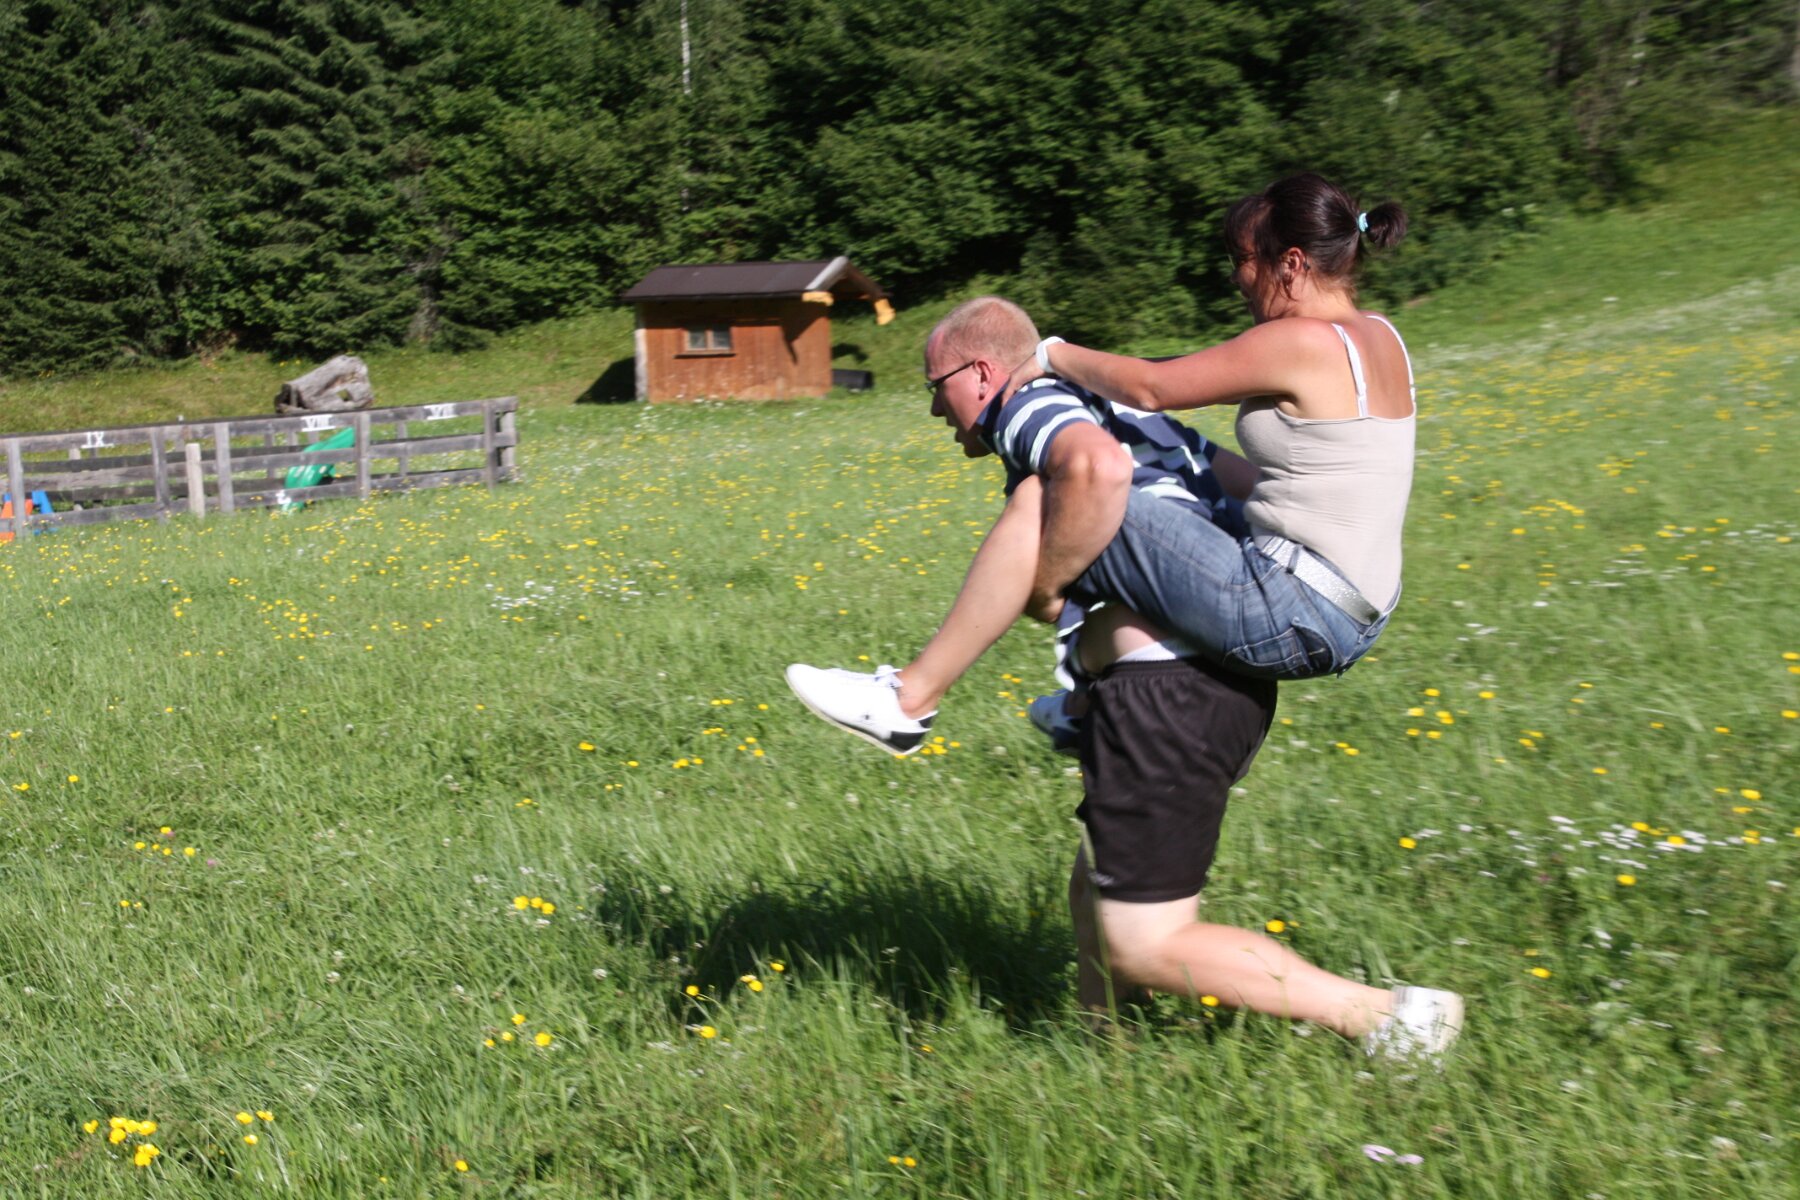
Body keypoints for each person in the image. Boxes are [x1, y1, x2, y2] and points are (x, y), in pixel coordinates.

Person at [786, 293, 1463, 1058]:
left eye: (935, 387)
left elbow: (1094, 469)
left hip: (1172, 693)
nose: (936, 409)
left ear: (978, 373)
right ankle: (1102, 1052)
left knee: (1145, 942)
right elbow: (1238, 481)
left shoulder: (1026, 404)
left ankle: (1387, 1020)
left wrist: (1049, 587)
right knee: (1097, 892)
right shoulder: (1126, 414)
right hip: (1205, 681)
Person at [792, 174, 1418, 746]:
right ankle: (1085, 708)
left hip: (1291, 605)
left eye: (1243, 260)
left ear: (1292, 263)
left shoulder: (1300, 340)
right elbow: (1276, 468)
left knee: (1050, 496)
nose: (1237, 278)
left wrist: (1051, 355)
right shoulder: (1379, 335)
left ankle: (907, 701)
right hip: (1356, 611)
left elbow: (1152, 387)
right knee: (1108, 626)